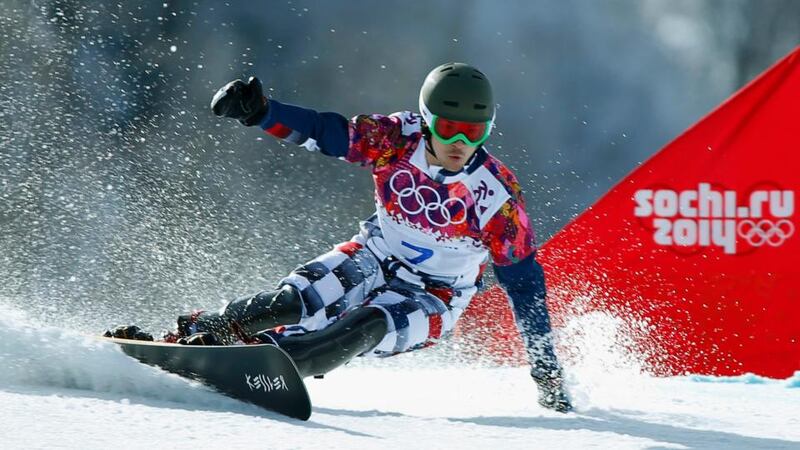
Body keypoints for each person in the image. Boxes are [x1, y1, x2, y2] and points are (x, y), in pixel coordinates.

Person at [107, 62, 572, 413]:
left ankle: (266, 363)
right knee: (292, 302)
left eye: (474, 132)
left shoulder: (497, 196)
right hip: (374, 253)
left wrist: (544, 365)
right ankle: (195, 334)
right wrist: (263, 113)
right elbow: (332, 134)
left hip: (437, 293)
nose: (459, 144)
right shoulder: (397, 136)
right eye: (448, 128)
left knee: (364, 326)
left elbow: (525, 284)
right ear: (428, 119)